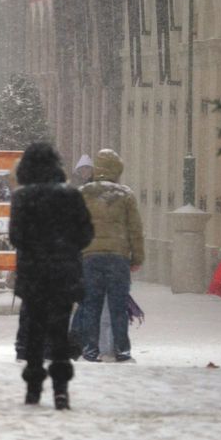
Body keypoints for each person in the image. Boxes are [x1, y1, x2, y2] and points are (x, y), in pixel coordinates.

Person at [9, 143, 93, 410]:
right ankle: (61, 391)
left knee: (34, 332)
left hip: (34, 275)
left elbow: (16, 237)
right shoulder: (71, 196)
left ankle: (33, 389)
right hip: (63, 274)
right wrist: (63, 247)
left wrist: (37, 248)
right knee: (59, 333)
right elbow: (85, 234)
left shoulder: (23, 197)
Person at [78, 149, 144, 363]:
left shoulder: (84, 193)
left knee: (91, 305)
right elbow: (135, 229)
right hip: (118, 258)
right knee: (118, 306)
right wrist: (137, 258)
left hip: (90, 257)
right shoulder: (125, 195)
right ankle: (122, 350)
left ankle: (90, 350)